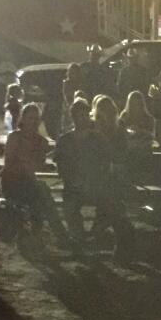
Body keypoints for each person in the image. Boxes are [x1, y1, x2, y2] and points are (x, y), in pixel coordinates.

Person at [3, 103, 70, 245]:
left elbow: (39, 164)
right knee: (41, 192)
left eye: (36, 119)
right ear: (23, 119)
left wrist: (45, 164)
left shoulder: (40, 142)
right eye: (31, 118)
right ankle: (59, 235)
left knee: (40, 193)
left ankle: (42, 236)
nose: (34, 122)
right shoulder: (15, 138)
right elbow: (9, 164)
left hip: (29, 183)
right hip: (13, 183)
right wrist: (29, 164)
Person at [89, 95, 134, 257]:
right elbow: (92, 155)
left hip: (113, 176)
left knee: (110, 198)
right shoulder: (93, 129)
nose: (104, 117)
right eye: (101, 114)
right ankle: (118, 233)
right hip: (98, 176)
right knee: (112, 201)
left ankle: (100, 227)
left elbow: (120, 155)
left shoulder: (118, 129)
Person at [56, 98, 102, 238]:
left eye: (84, 115)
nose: (81, 119)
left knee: (110, 202)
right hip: (73, 186)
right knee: (70, 206)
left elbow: (104, 163)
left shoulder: (97, 139)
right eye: (78, 116)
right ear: (73, 117)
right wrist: (74, 180)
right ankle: (78, 234)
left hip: (94, 185)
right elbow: (61, 167)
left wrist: (94, 180)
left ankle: (96, 232)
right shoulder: (65, 140)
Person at [61, 62, 88, 133]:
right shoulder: (67, 83)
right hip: (70, 109)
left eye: (75, 72)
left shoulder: (82, 83)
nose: (74, 74)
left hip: (81, 108)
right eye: (72, 72)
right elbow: (68, 97)